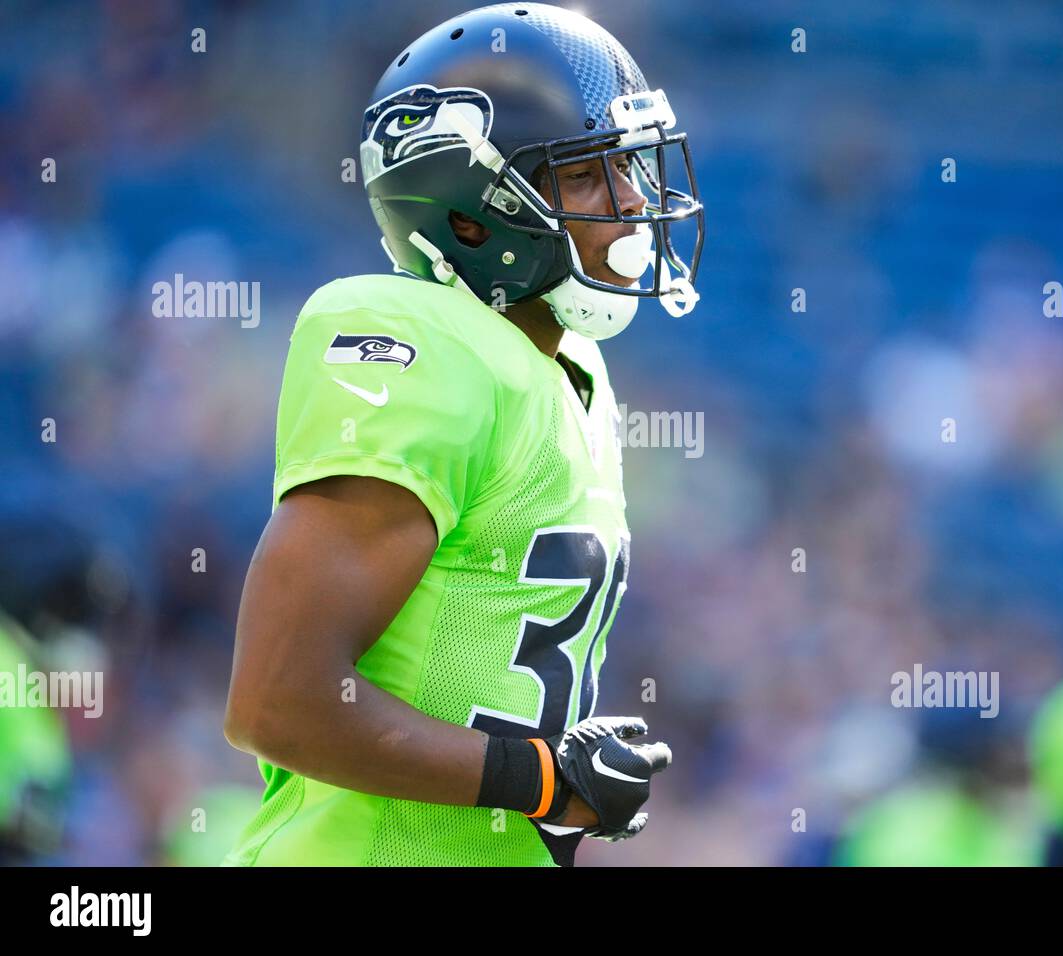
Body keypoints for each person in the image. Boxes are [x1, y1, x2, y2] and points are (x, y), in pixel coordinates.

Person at [223, 2, 703, 866]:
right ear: (474, 216)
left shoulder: (570, 371)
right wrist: (544, 778)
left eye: (629, 166)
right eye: (590, 174)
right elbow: (279, 701)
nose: (633, 201)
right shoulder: (426, 341)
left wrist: (557, 772)